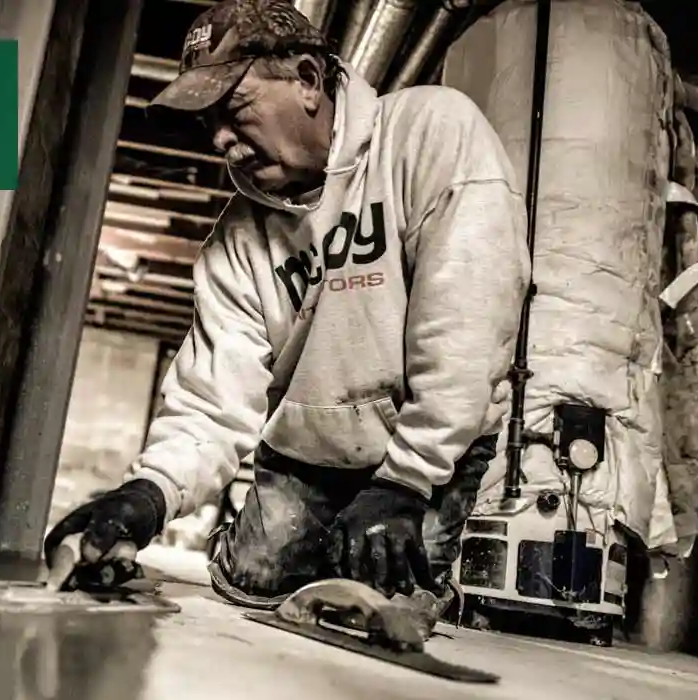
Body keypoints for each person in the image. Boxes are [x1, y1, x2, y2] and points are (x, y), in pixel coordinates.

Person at [45, 0, 530, 613]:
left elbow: (466, 324)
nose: (221, 139)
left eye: (235, 109)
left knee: (384, 605)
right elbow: (212, 400)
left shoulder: (429, 135)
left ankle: (429, 558)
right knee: (255, 581)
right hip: (311, 449)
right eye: (207, 124)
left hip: (431, 446)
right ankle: (264, 544)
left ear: (306, 79)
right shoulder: (237, 243)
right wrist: (148, 494)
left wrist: (406, 477)